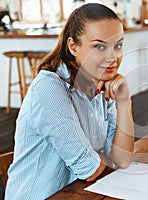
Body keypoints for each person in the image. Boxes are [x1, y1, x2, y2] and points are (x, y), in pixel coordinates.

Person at [5, 3, 134, 199]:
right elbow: (89, 170)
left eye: (118, 45)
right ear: (73, 46)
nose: (113, 57)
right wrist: (103, 159)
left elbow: (121, 159)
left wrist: (124, 101)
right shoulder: (49, 88)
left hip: (80, 193)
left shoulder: (100, 83)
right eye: (99, 46)